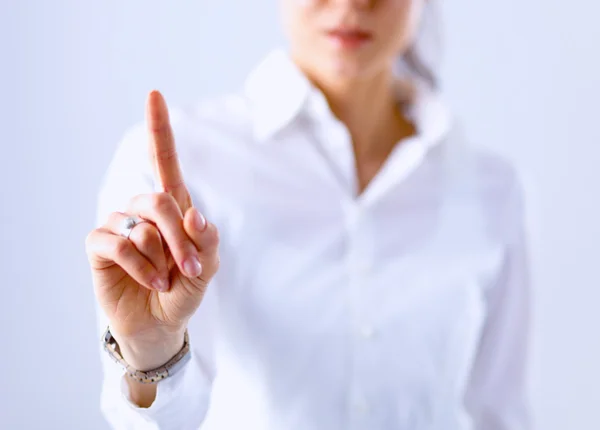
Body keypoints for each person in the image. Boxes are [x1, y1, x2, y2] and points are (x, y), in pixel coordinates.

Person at [85, 0, 532, 429]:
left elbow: (500, 409)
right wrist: (150, 350)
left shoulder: (488, 189)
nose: (351, 3)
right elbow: (161, 424)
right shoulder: (182, 163)